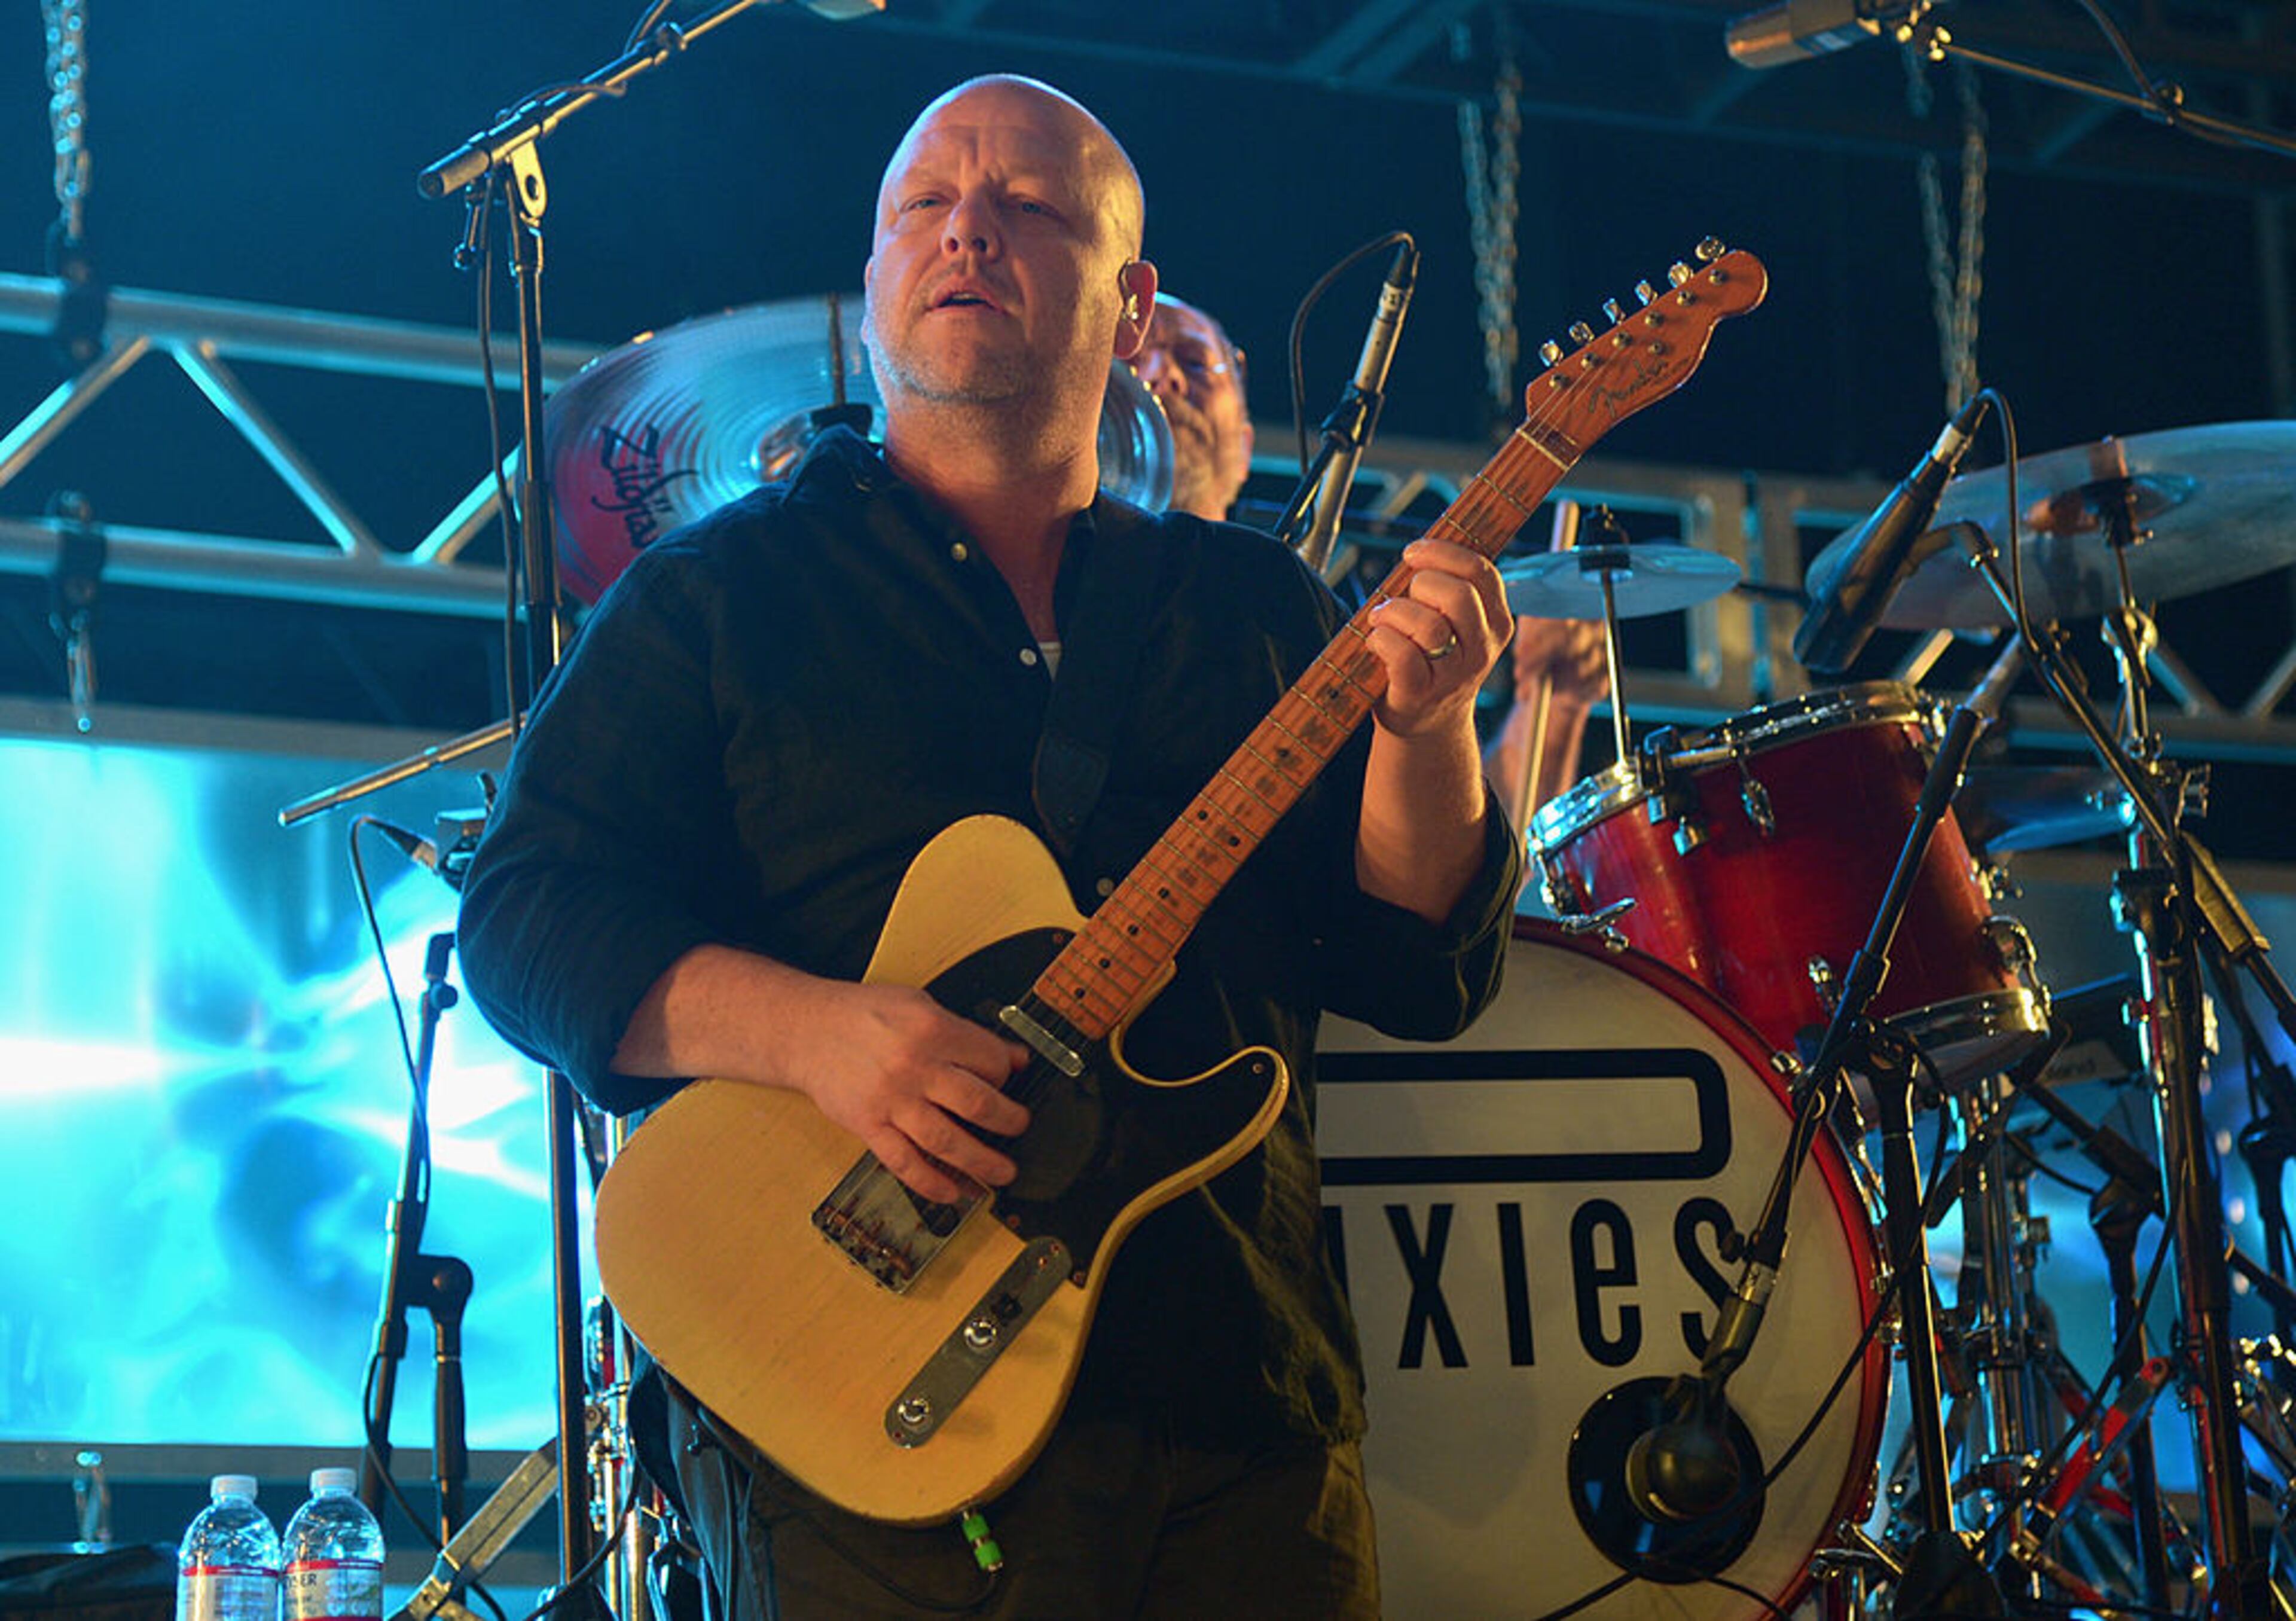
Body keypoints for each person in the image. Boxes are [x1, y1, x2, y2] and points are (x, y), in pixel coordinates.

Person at [455, 74, 1521, 1620]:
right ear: (876, 274)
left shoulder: (1257, 610)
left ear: (1132, 304)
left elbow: (1419, 971)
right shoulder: (717, 597)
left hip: (1238, 1403)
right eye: (926, 206)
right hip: (863, 1429)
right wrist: (821, 1038)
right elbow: (525, 918)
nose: (968, 232)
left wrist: (1429, 734)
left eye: (1027, 205)